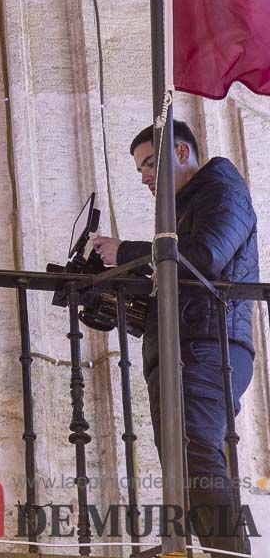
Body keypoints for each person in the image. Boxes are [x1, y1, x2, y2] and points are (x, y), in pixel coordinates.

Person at [90, 120, 257, 554]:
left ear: (181, 153)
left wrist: (125, 251)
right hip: (190, 345)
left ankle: (228, 553)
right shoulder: (187, 208)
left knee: (194, 453)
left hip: (206, 348)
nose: (144, 176)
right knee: (182, 463)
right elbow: (179, 292)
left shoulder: (222, 188)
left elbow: (203, 260)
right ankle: (187, 546)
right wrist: (114, 300)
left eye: (149, 164)